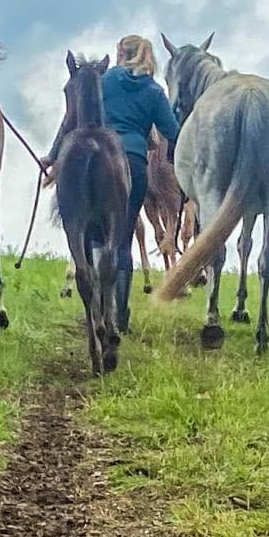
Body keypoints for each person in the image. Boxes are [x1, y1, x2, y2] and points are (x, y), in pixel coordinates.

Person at [100, 35, 179, 333]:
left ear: (121, 54)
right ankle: (120, 316)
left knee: (95, 236)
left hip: (99, 156)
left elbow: (79, 115)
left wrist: (56, 155)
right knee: (123, 240)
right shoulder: (154, 91)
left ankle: (98, 309)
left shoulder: (105, 80)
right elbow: (172, 131)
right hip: (134, 162)